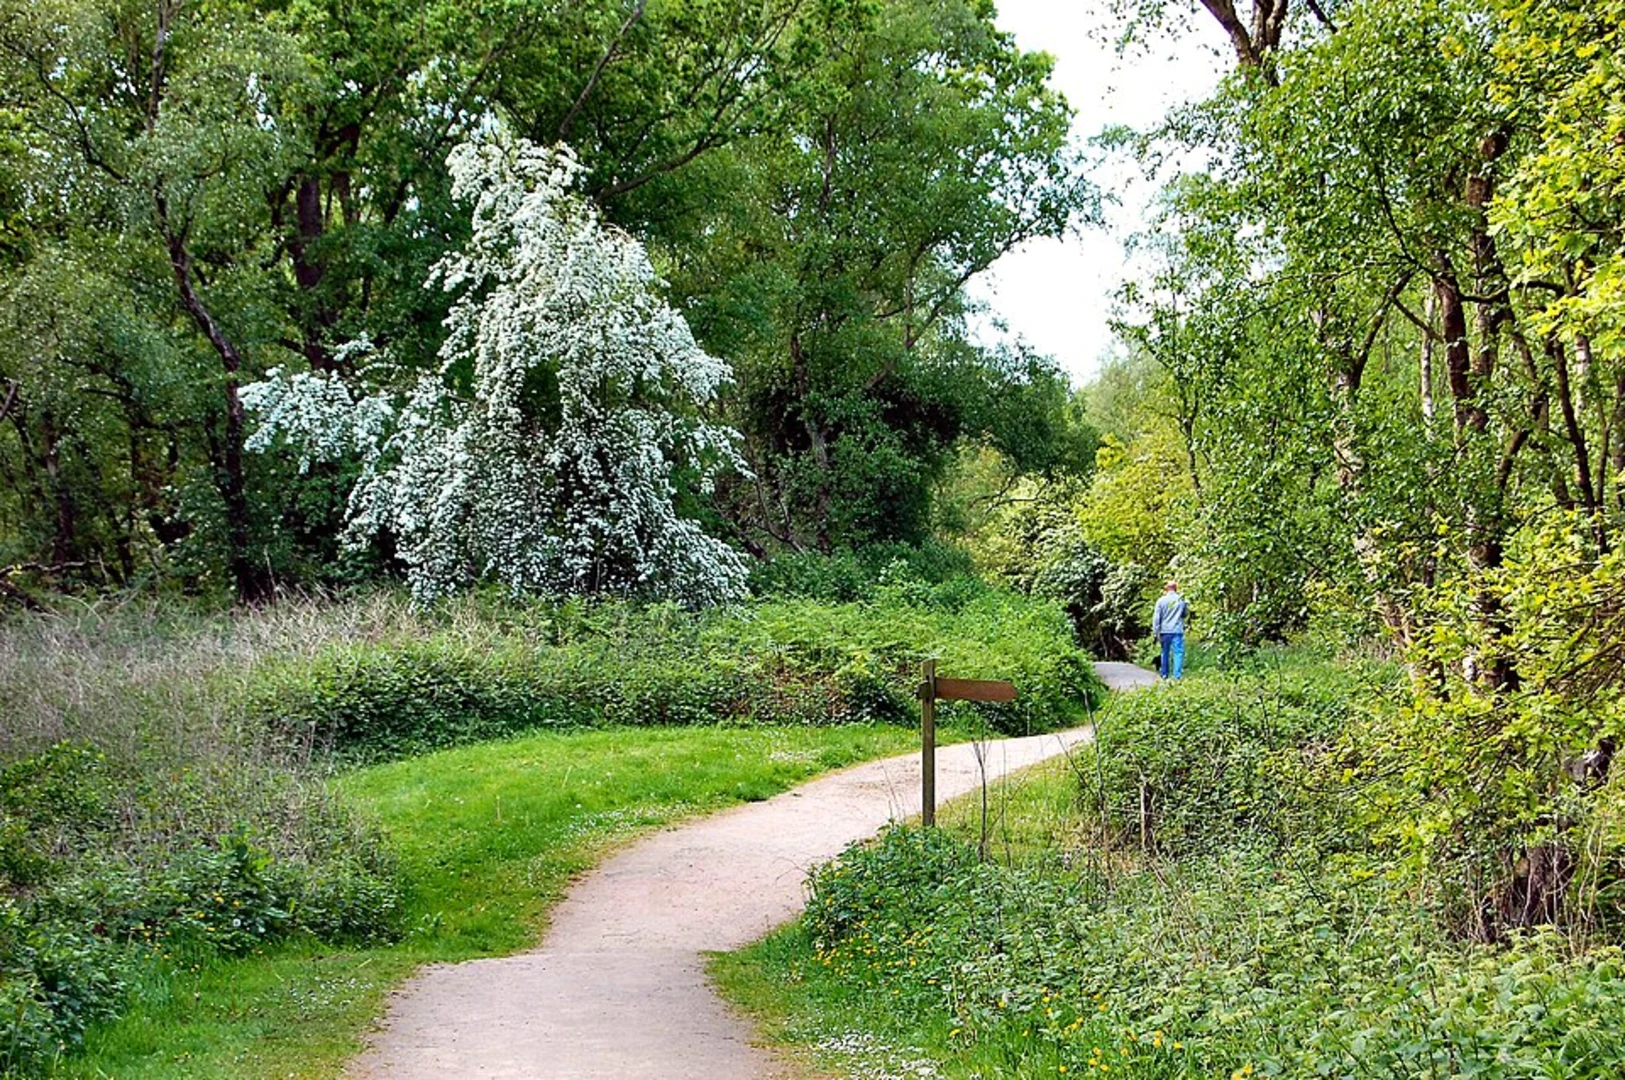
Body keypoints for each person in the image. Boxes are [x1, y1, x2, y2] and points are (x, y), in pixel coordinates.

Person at [1151, 580, 1190, 680]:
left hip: (1165, 631)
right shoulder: (1181, 600)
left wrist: (1156, 632)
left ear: (1166, 588)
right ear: (1176, 588)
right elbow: (1185, 614)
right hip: (1177, 630)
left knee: (1165, 652)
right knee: (1178, 653)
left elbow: (1156, 618)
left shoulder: (1161, 601)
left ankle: (1164, 674)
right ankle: (1177, 676)